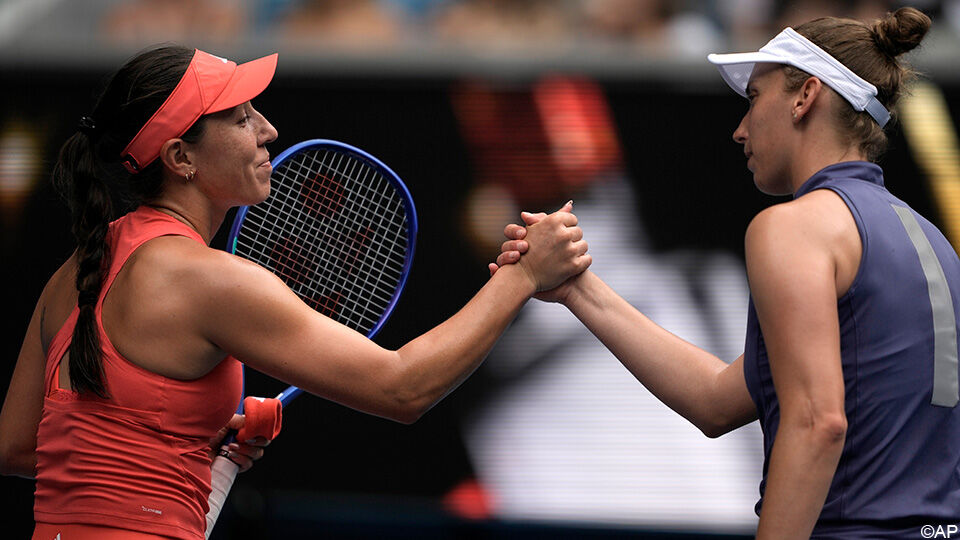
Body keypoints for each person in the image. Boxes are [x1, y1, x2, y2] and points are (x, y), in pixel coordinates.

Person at [0, 45, 590, 540]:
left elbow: (20, 448)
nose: (268, 130)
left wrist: (186, 449)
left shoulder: (78, 267)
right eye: (239, 118)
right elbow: (404, 388)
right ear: (181, 157)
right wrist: (523, 276)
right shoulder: (210, 280)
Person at [494, 7, 959, 539]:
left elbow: (817, 423)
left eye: (755, 100)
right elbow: (716, 401)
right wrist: (578, 288)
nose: (739, 130)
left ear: (805, 96)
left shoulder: (792, 228)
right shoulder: (931, 240)